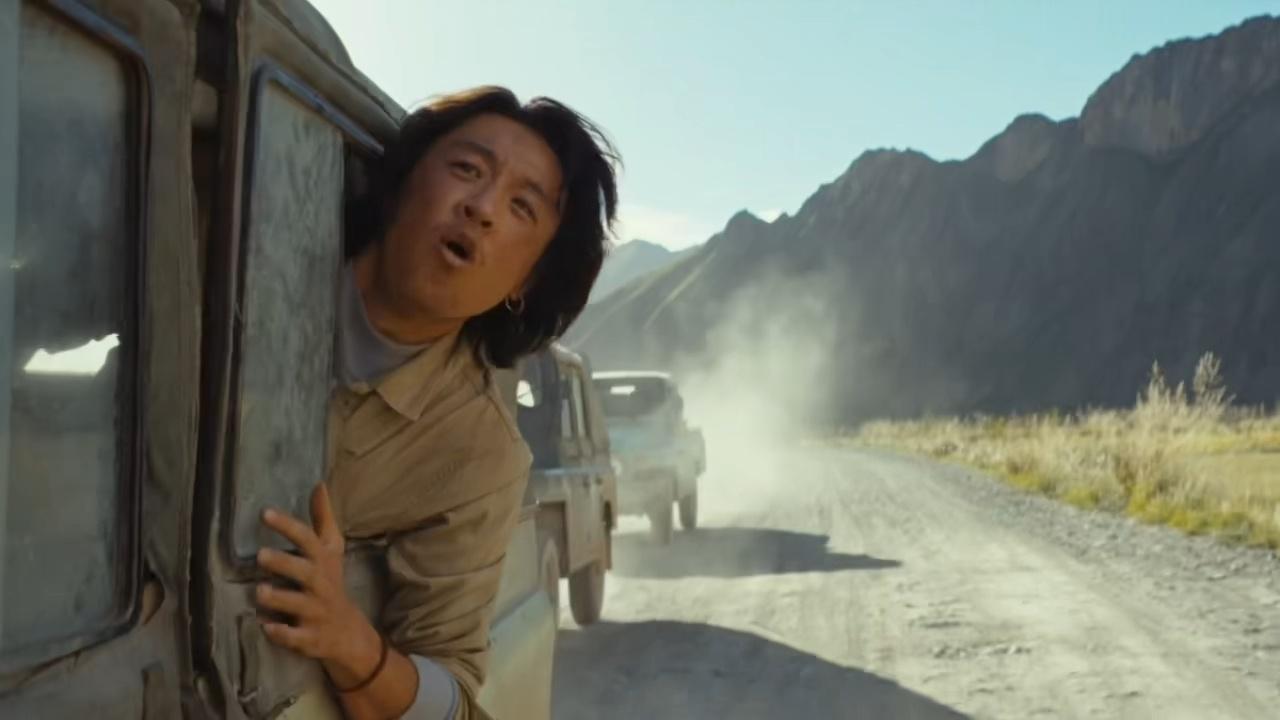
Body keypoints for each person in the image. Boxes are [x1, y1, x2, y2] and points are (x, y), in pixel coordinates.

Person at [252, 86, 618, 720]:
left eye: (521, 207)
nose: (482, 207)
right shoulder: (253, 237)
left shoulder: (478, 454)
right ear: (401, 184)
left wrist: (349, 641)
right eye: (467, 169)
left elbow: (451, 701)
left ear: (526, 281)